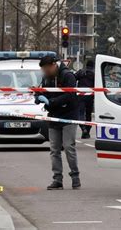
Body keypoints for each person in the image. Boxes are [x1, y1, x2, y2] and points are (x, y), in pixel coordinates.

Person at [36, 55, 80, 190]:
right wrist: (38, 97)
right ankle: (57, 179)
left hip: (68, 116)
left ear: (54, 65)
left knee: (68, 147)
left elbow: (70, 96)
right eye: (43, 69)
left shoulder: (68, 76)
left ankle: (75, 176)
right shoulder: (47, 77)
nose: (45, 72)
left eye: (46, 69)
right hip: (54, 116)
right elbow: (43, 91)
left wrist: (52, 102)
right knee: (54, 150)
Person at [75, 60, 94, 139]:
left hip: (81, 95)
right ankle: (87, 131)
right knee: (88, 114)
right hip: (90, 96)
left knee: (81, 113)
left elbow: (73, 78)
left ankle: (83, 129)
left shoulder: (81, 72)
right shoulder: (94, 74)